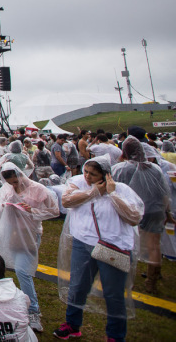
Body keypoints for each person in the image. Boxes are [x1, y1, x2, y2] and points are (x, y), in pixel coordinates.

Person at [55, 156, 143, 342]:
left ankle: (115, 335)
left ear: (105, 175)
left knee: (113, 293)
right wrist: (93, 192)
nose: (87, 176)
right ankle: (72, 324)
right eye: (86, 171)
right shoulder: (78, 183)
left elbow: (134, 217)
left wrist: (112, 194)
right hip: (83, 243)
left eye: (93, 174)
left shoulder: (121, 190)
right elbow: (67, 201)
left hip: (113, 247)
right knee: (77, 287)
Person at [0, 163, 60, 332]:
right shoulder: (7, 189)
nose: (15, 185)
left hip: (30, 234)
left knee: (23, 271)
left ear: (21, 175)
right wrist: (4, 207)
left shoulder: (38, 189)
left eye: (16, 181)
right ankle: (19, 303)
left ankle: (33, 310)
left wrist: (34, 211)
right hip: (12, 234)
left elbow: (54, 211)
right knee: (17, 269)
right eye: (11, 183)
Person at [111, 136, 173, 294]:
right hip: (155, 210)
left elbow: (112, 192)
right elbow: (164, 193)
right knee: (154, 246)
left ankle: (124, 278)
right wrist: (167, 212)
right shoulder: (155, 168)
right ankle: (151, 281)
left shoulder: (121, 168)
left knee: (125, 244)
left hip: (132, 211)